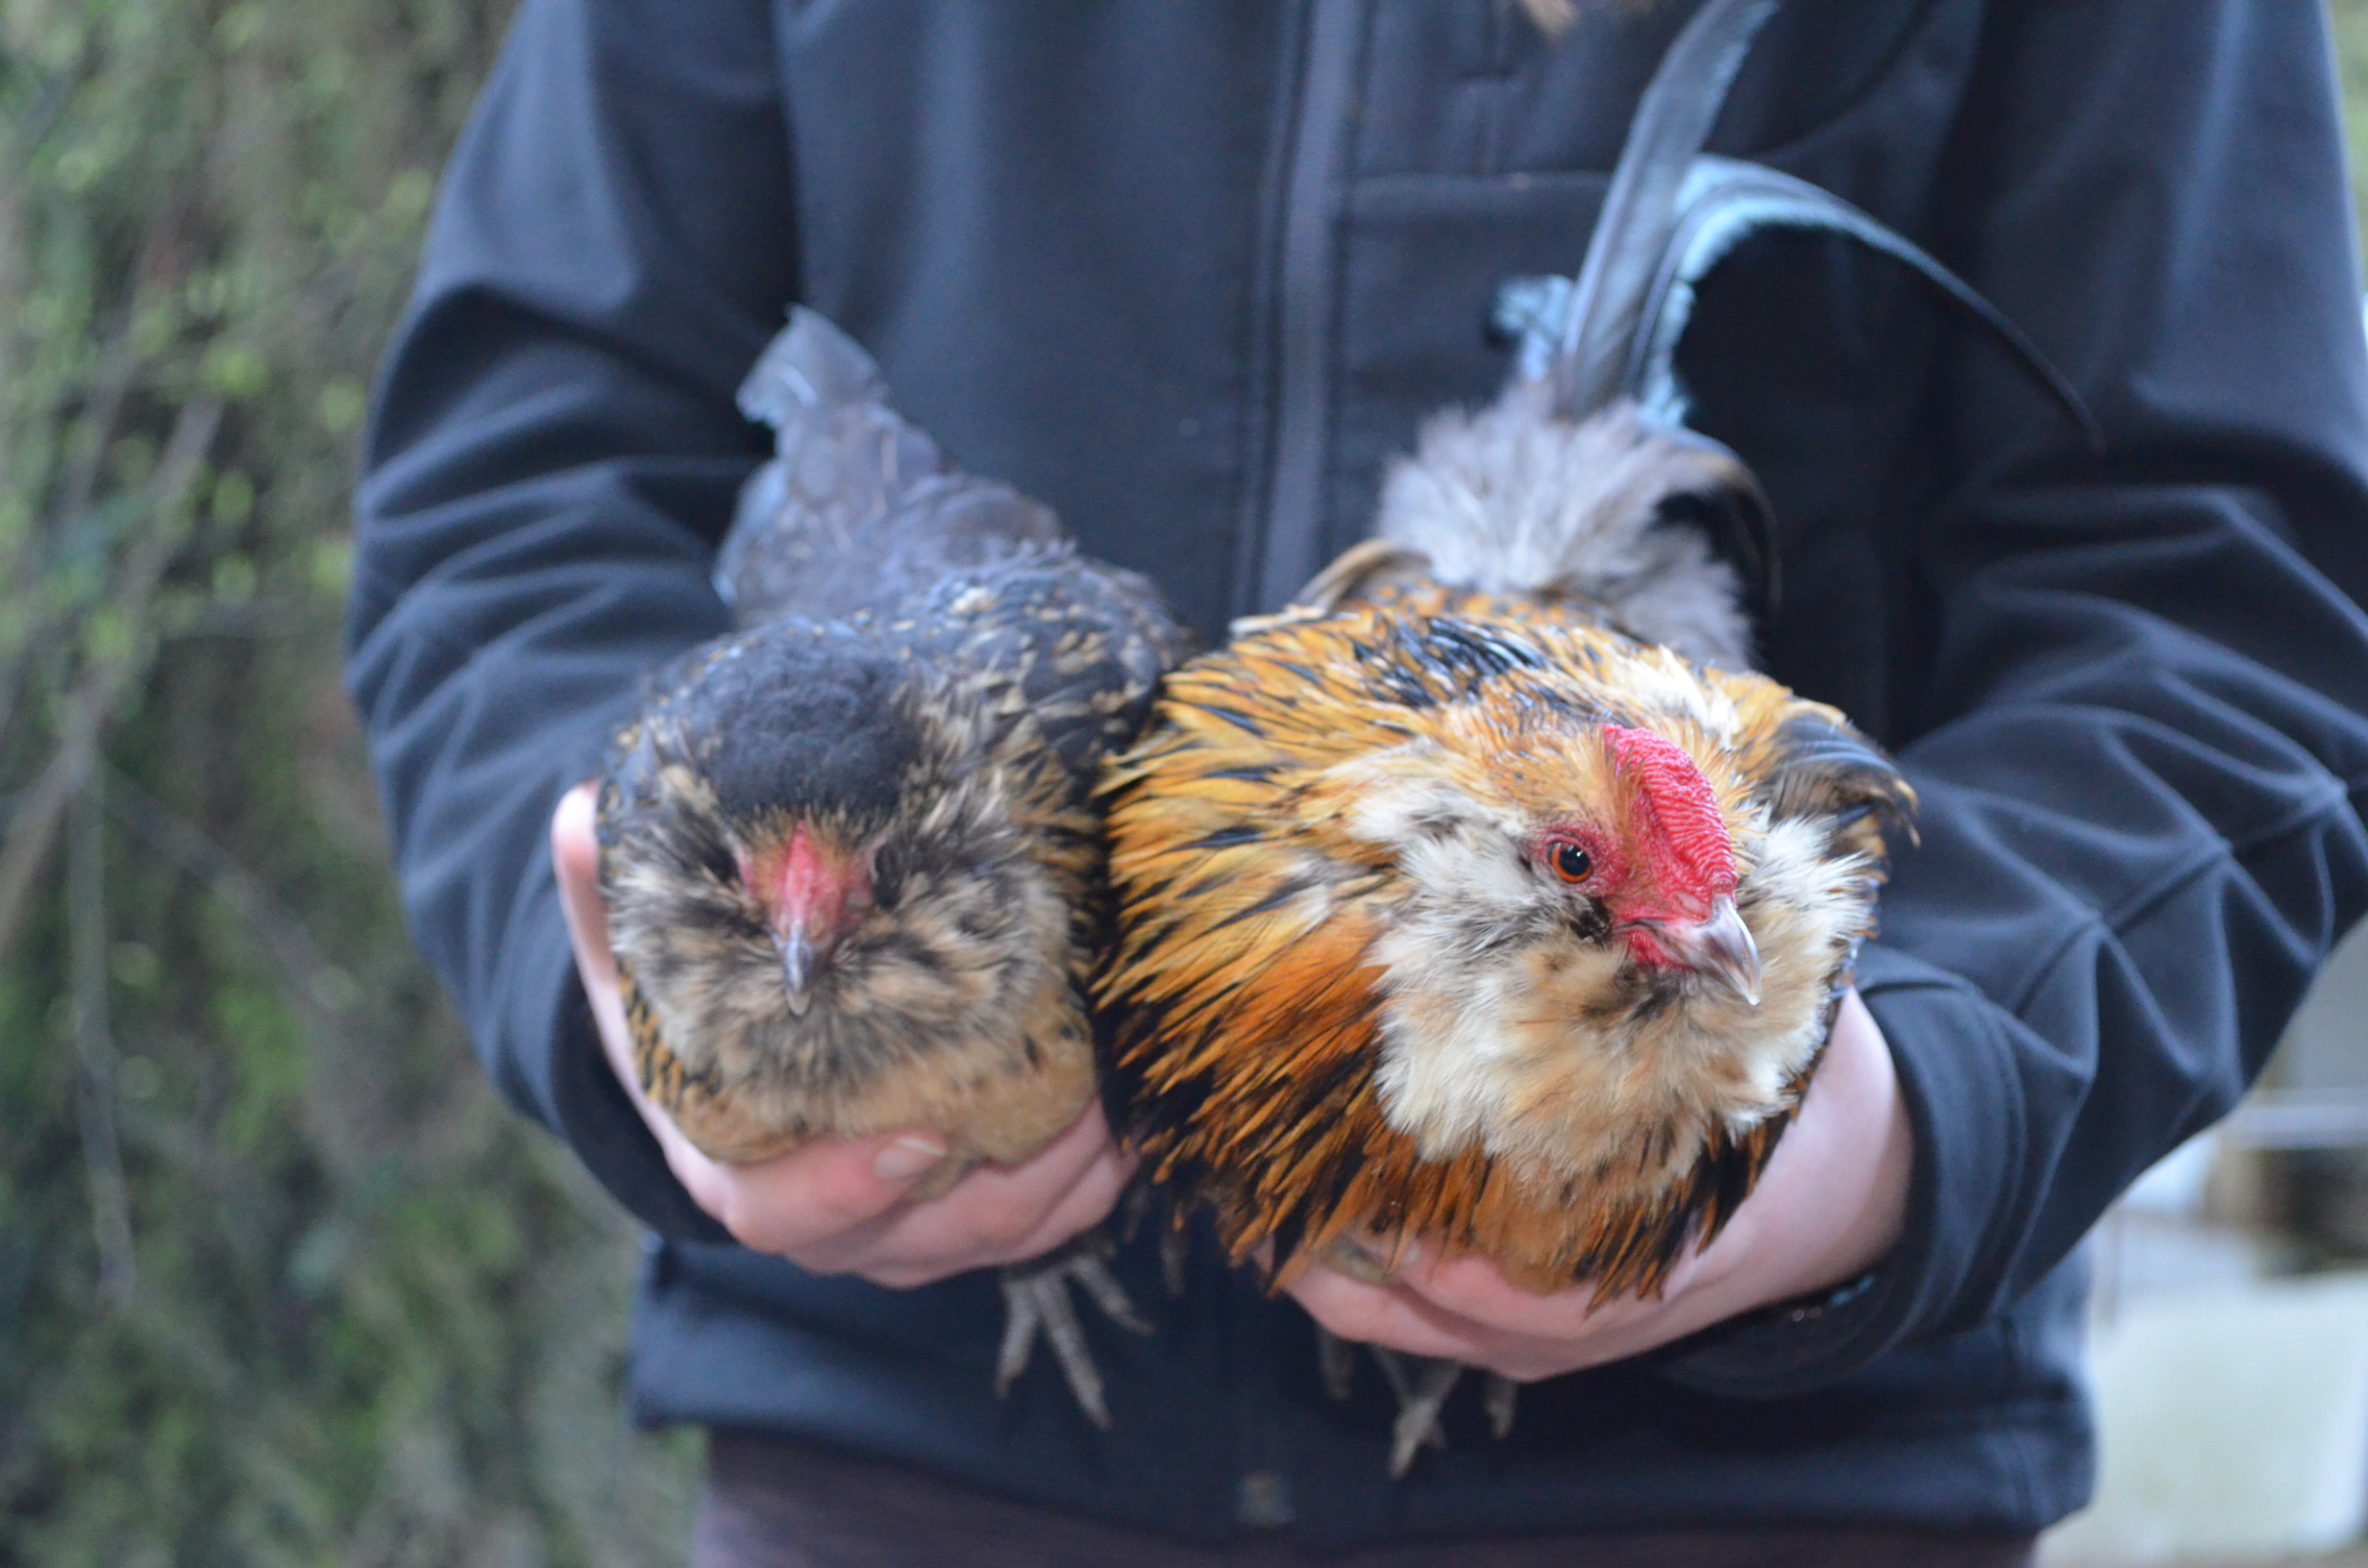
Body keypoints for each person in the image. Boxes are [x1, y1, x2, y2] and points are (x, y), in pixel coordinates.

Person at [347, 2, 2368, 1563]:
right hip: (912, 1460)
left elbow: (2222, 599)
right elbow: (519, 482)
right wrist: (626, 960)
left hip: (1763, 1485)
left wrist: (1907, 1099)